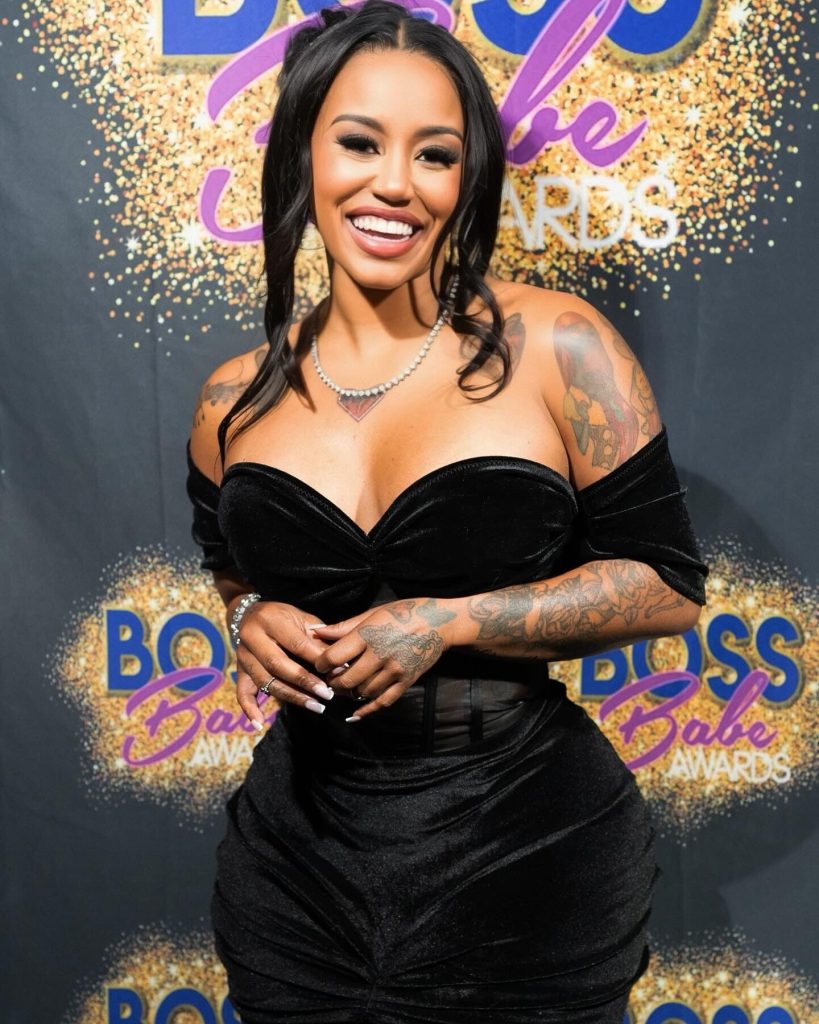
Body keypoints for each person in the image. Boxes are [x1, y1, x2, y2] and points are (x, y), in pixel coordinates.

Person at [185, 2, 709, 1021]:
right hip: (298, 862)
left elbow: (667, 584)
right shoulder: (232, 399)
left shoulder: (559, 346)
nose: (395, 183)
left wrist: (452, 620)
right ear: (301, 155)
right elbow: (231, 568)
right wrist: (248, 615)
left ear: (467, 179)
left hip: (524, 849)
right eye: (359, 142)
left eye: (435, 154)